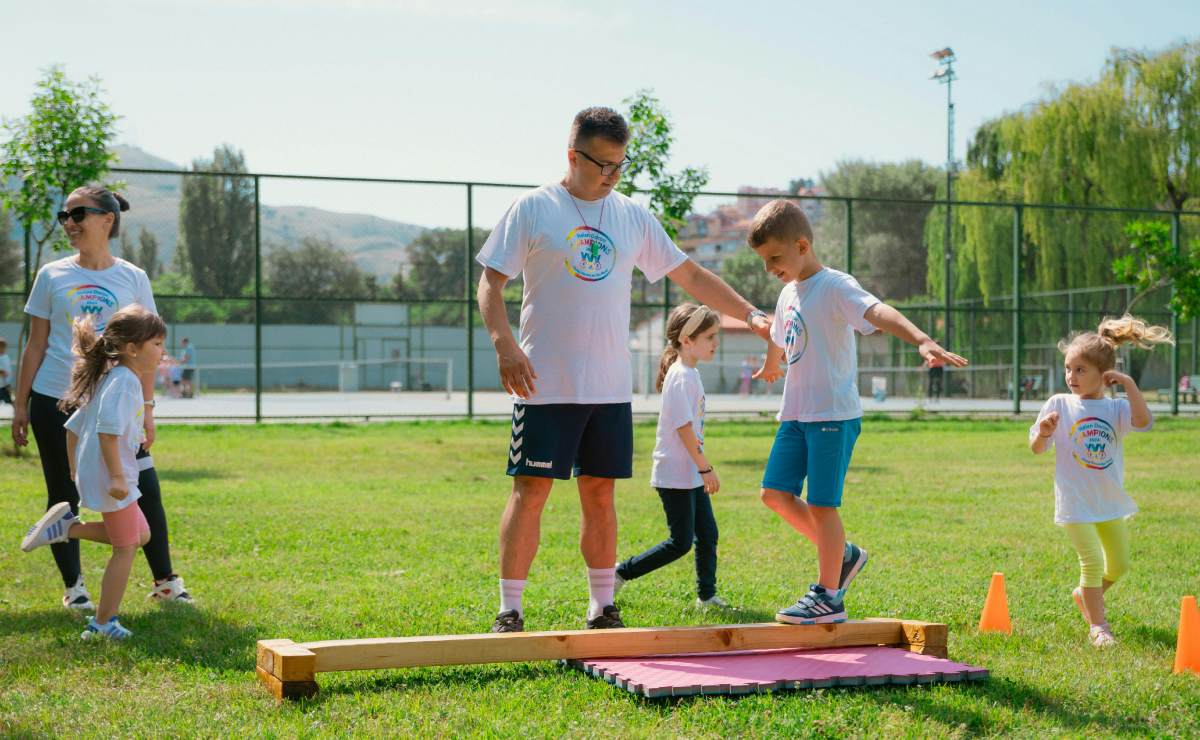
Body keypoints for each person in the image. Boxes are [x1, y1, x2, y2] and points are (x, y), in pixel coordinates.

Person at [476, 106, 771, 632]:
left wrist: (748, 314)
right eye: (602, 165)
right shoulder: (533, 209)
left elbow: (691, 274)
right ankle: (510, 610)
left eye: (620, 165)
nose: (612, 176)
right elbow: (490, 284)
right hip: (543, 386)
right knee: (531, 493)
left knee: (600, 493)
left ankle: (601, 606)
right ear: (573, 155)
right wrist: (504, 344)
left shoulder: (632, 215)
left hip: (608, 391)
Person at [748, 199, 968, 624]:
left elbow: (877, 311)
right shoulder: (787, 292)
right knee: (773, 494)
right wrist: (772, 363)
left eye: (774, 257)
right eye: (763, 260)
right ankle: (844, 555)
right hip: (795, 414)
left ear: (802, 244)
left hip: (832, 415)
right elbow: (778, 334)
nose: (768, 267)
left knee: (822, 505)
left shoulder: (834, 286)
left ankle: (829, 596)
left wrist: (921, 338)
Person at [11, 185, 192, 611]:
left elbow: (148, 348)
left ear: (107, 220)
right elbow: (35, 345)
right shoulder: (52, 275)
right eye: (64, 216)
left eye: (78, 215)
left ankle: (165, 581)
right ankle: (75, 590)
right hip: (56, 400)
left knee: (143, 486)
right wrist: (21, 404)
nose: (69, 224)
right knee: (62, 494)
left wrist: (147, 410)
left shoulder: (133, 277)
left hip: (115, 403)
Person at [20, 305, 166, 639]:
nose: (163, 351)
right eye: (156, 344)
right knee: (125, 547)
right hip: (113, 477)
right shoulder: (126, 382)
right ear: (132, 349)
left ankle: (68, 529)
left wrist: (76, 468)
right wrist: (116, 477)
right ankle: (102, 624)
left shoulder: (111, 378)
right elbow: (107, 432)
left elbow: (73, 427)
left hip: (100, 473)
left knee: (140, 536)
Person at [1029, 315, 1173, 647]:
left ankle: (1086, 593)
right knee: (1091, 561)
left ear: (1103, 375)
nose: (1071, 376)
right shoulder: (1059, 405)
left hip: (1108, 501)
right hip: (1075, 501)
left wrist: (1129, 384)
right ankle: (1099, 627)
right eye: (1068, 368)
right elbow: (1036, 448)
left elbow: (1144, 422)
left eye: (1080, 370)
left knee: (1119, 565)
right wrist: (1043, 433)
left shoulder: (1116, 409)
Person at [615, 304, 731, 610]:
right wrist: (706, 469)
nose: (715, 343)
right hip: (675, 474)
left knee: (707, 534)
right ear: (687, 340)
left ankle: (706, 596)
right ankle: (620, 572)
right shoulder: (681, 377)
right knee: (679, 542)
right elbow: (683, 429)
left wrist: (700, 470)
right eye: (709, 336)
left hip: (689, 473)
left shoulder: (690, 373)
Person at [0, 336, 11, 405]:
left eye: (2, 346)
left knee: (8, 402)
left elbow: (6, 372)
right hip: (2, 385)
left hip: (4, 385)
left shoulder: (5, 357)